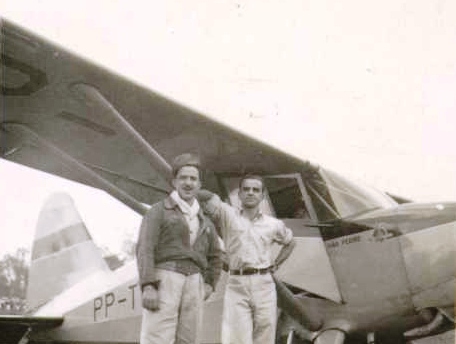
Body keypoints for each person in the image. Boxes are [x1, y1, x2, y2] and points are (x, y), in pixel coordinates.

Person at [198, 174, 296, 344]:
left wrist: (276, 264)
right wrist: (198, 186)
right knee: (236, 338)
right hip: (237, 282)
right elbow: (203, 195)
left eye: (256, 190)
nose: (251, 193)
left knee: (265, 335)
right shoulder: (227, 214)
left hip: (264, 283)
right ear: (239, 194)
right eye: (246, 189)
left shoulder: (273, 224)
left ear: (262, 196)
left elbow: (290, 242)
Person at [136, 153, 222, 344]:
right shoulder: (158, 211)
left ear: (199, 185)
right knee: (157, 338)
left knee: (189, 339)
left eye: (193, 179)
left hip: (194, 282)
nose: (188, 183)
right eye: (183, 178)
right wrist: (148, 285)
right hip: (166, 277)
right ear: (174, 181)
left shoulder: (205, 221)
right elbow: (145, 248)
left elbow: (216, 255)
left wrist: (209, 284)